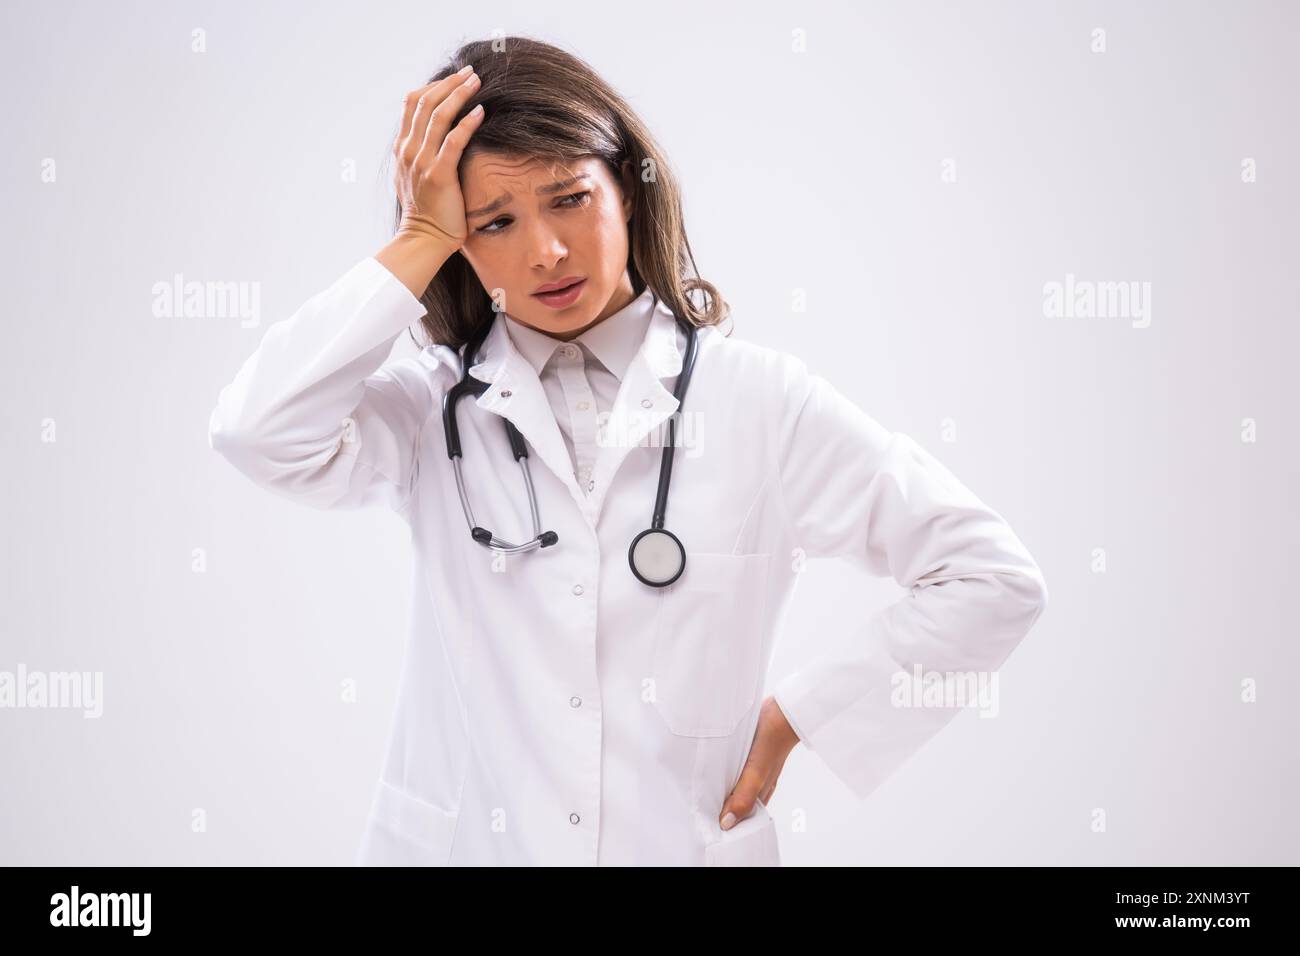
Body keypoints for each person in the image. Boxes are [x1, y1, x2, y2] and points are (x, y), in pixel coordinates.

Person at [208, 36, 1048, 866]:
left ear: (631, 190)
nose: (545, 251)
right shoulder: (433, 409)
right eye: (493, 221)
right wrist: (419, 238)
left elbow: (990, 577)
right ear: (458, 242)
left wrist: (804, 714)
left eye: (569, 198)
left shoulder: (758, 402)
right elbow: (257, 433)